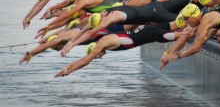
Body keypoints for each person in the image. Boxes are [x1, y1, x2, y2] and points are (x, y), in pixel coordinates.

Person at [54, 22, 183, 77]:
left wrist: (69, 69)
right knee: (179, 24)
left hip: (151, 34)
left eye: (98, 55)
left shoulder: (103, 43)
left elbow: (86, 60)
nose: (100, 56)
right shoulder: (105, 42)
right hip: (148, 30)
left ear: (96, 49)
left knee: (186, 34)